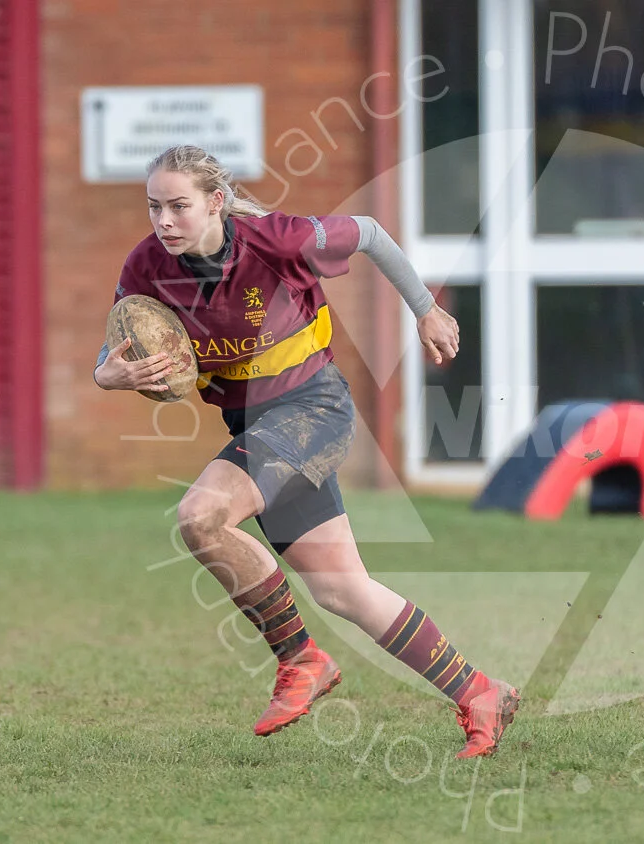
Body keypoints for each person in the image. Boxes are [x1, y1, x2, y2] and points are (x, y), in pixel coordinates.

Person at [93, 145, 519, 759]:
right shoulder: (146, 267)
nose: (164, 221)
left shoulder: (279, 240)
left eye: (179, 206)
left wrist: (425, 309)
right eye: (155, 206)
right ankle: (479, 691)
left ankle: (300, 659)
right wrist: (115, 378)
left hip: (312, 409)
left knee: (200, 516)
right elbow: (112, 354)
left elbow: (370, 233)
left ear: (216, 202)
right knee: (344, 590)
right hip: (255, 427)